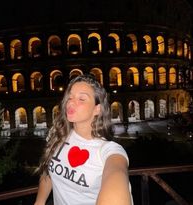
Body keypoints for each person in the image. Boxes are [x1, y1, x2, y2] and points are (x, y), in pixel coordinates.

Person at [34, 74, 133, 205]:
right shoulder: (58, 134)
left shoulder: (109, 150)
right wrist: (39, 202)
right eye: (70, 97)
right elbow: (48, 171)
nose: (71, 102)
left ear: (97, 109)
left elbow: (117, 174)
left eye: (81, 98)